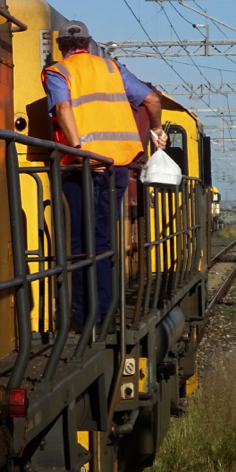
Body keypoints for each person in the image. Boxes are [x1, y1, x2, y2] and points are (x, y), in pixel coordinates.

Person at [42, 20, 166, 330]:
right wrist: (156, 129)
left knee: (77, 244)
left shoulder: (59, 71)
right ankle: (107, 313)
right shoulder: (113, 69)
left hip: (79, 165)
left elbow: (63, 110)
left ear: (61, 47)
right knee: (104, 241)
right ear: (89, 42)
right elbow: (151, 99)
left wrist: (81, 150)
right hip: (116, 167)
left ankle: (84, 316)